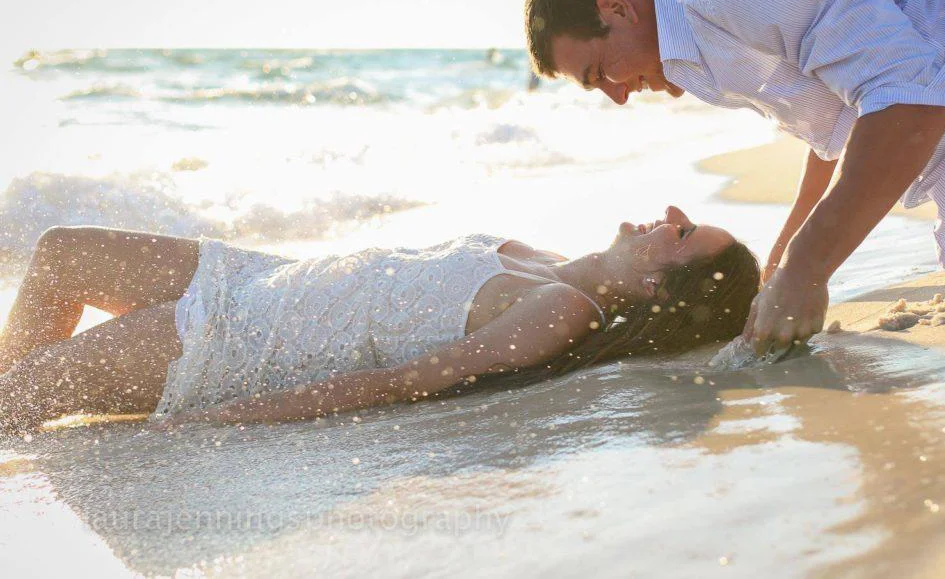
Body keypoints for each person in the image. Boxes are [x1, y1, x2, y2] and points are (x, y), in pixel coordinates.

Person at [523, 0, 945, 357]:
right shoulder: (709, 18)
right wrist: (780, 266)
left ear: (615, 7)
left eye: (598, 73)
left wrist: (809, 269)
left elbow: (909, 98)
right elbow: (840, 127)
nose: (616, 93)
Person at [0, 206, 759, 432]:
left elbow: (399, 382)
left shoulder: (560, 310)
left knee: (24, 388)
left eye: (684, 234)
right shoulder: (547, 260)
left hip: (236, 342)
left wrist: (224, 417)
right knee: (59, 250)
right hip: (253, 275)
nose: (670, 214)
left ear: (661, 287)